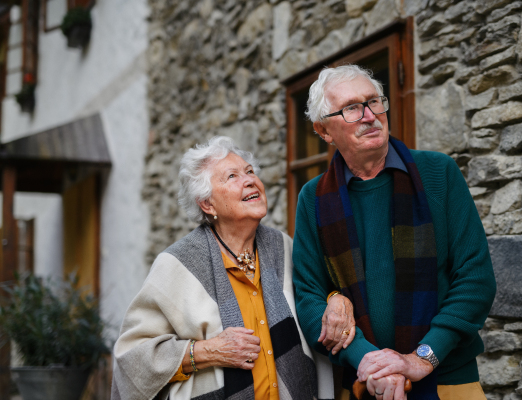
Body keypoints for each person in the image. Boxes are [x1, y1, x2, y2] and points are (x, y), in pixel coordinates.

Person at [292, 65, 496, 400]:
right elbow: (309, 296)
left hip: (447, 380)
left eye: (374, 102)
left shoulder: (439, 173)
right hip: (359, 385)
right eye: (351, 108)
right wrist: (368, 361)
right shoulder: (313, 198)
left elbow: (475, 278)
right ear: (323, 130)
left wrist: (421, 359)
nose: (370, 116)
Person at [111, 136, 341, 400]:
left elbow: (315, 293)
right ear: (207, 204)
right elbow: (132, 356)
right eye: (232, 176)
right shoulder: (178, 265)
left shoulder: (283, 247)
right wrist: (207, 352)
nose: (250, 180)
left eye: (250, 171)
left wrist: (335, 298)